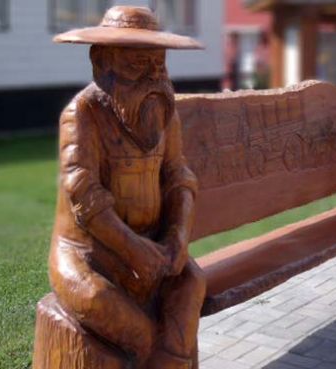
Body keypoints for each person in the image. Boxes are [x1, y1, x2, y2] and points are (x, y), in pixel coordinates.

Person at [51, 6, 205, 369]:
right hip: (89, 255)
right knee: (136, 330)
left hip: (152, 247)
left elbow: (178, 177)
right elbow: (85, 197)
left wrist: (177, 235)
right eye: (137, 65)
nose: (153, 78)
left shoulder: (164, 115)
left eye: (159, 65)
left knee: (190, 288)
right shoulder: (82, 114)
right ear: (102, 62)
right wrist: (132, 249)